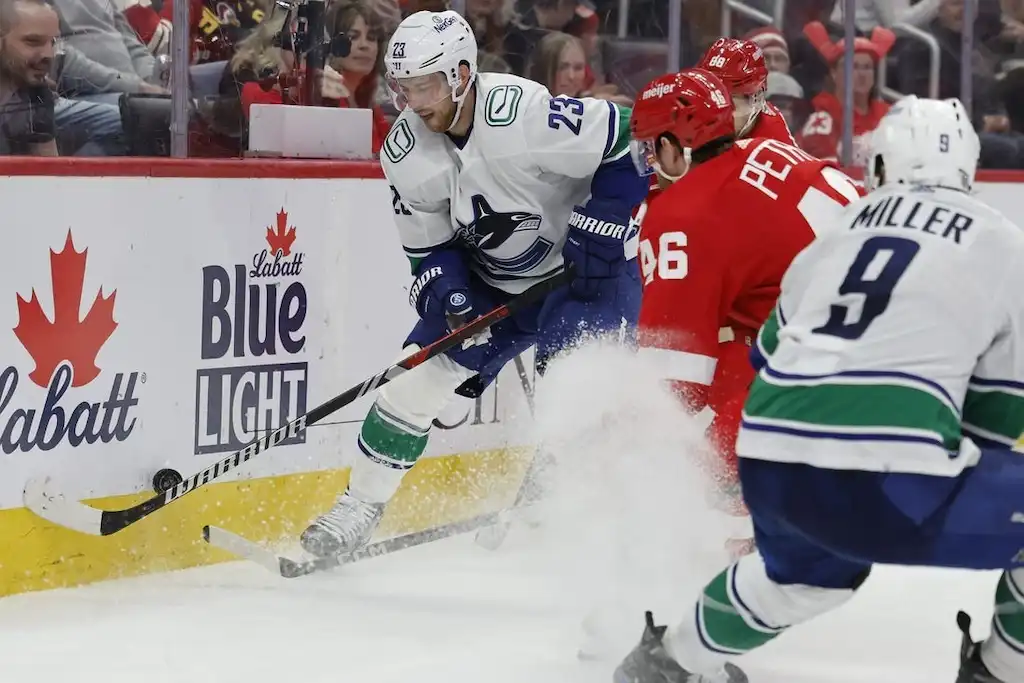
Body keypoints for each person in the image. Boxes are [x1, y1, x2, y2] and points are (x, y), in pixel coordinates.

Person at [615, 95, 1024, 683]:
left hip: (769, 459)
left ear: (879, 163)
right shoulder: (1001, 240)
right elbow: (1001, 410)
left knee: (803, 580)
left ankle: (669, 663)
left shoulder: (840, 231)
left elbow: (771, 353)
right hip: (894, 473)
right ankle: (999, 672)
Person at [299, 9, 648, 558]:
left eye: (425, 86)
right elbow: (427, 248)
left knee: (575, 389)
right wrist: (452, 292)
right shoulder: (404, 150)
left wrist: (604, 218)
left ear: (462, 74)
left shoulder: (522, 112)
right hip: (496, 280)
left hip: (584, 273)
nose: (413, 101)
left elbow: (626, 137)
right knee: (412, 382)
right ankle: (359, 506)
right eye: (403, 88)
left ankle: (563, 505)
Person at [633, 42, 817, 559]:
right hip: (824, 304)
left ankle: (776, 509)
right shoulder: (722, 144)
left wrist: (636, 430)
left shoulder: (748, 148)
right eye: (721, 95)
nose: (728, 109)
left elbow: (676, 376)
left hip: (811, 319)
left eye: (739, 99)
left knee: (719, 444)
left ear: (759, 98)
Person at [0, 0, 59, 156]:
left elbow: (49, 166)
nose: (49, 55)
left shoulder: (37, 91)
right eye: (33, 42)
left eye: (53, 42)